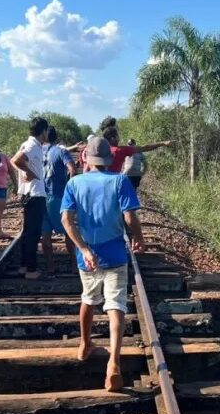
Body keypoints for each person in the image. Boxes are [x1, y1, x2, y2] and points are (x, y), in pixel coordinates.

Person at [61, 137, 144, 391]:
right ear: (108, 159)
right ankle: (113, 364)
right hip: (115, 253)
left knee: (88, 298)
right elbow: (130, 216)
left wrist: (83, 248)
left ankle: (85, 345)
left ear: (85, 158)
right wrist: (138, 237)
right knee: (116, 304)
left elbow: (66, 219)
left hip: (87, 255)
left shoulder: (74, 183)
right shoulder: (120, 180)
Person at [11, 117, 49, 280]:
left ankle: (24, 266)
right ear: (43, 131)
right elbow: (16, 160)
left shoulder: (33, 144)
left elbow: (17, 160)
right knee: (33, 233)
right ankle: (31, 270)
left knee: (28, 233)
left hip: (30, 193)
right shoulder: (33, 145)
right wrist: (28, 172)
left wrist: (27, 171)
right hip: (34, 194)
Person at [42, 125, 77, 275]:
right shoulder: (61, 151)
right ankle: (75, 264)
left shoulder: (37, 151)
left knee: (45, 233)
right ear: (55, 137)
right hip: (57, 195)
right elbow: (72, 169)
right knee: (68, 230)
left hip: (40, 196)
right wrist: (69, 186)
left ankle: (50, 266)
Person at [98, 116, 173, 173]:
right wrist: (163, 143)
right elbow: (145, 148)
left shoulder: (97, 149)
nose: (119, 132)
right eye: (117, 131)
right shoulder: (120, 150)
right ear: (112, 138)